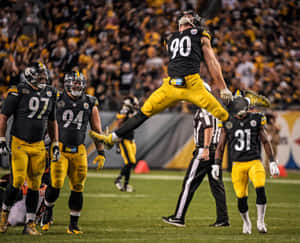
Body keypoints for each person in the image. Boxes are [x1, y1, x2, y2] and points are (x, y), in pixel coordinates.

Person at [88, 10, 232, 146]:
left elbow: (211, 61)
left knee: (223, 114)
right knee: (144, 111)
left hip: (192, 84)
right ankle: (112, 139)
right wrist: (222, 87)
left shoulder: (194, 34)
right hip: (171, 85)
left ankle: (243, 145)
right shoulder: (172, 37)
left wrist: (223, 87)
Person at [41, 71, 105, 234]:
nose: (77, 86)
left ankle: (73, 225)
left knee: (78, 186)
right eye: (74, 83)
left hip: (79, 150)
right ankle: (47, 212)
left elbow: (96, 129)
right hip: (59, 148)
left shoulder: (90, 102)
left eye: (79, 83)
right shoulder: (57, 99)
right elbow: (47, 121)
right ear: (67, 84)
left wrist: (101, 152)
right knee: (55, 184)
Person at [0, 62, 60, 235]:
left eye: (43, 75)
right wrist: (2, 139)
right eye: (39, 75)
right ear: (30, 75)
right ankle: (4, 214)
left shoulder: (50, 93)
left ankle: (30, 224)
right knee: (17, 181)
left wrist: (55, 143)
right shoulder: (17, 91)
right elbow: (3, 117)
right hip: (19, 143)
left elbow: (52, 121)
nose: (43, 78)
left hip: (38, 145)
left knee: (35, 185)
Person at [162, 83, 229, 227]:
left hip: (205, 151)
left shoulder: (205, 107)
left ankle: (179, 217)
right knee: (217, 185)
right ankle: (223, 219)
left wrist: (205, 148)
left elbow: (208, 128)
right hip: (215, 150)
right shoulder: (215, 107)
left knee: (189, 183)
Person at [211, 96, 280, 234]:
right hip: (237, 165)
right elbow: (220, 146)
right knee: (241, 196)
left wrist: (272, 161)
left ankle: (260, 221)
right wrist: (216, 164)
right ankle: (246, 222)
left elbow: (265, 141)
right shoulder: (227, 121)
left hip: (254, 161)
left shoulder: (256, 119)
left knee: (260, 188)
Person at [114, 96, 139, 192]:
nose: (136, 106)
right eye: (134, 104)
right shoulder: (125, 110)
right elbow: (119, 122)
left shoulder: (132, 111)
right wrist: (118, 136)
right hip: (124, 139)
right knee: (130, 162)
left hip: (131, 139)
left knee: (129, 163)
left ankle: (125, 184)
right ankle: (119, 180)